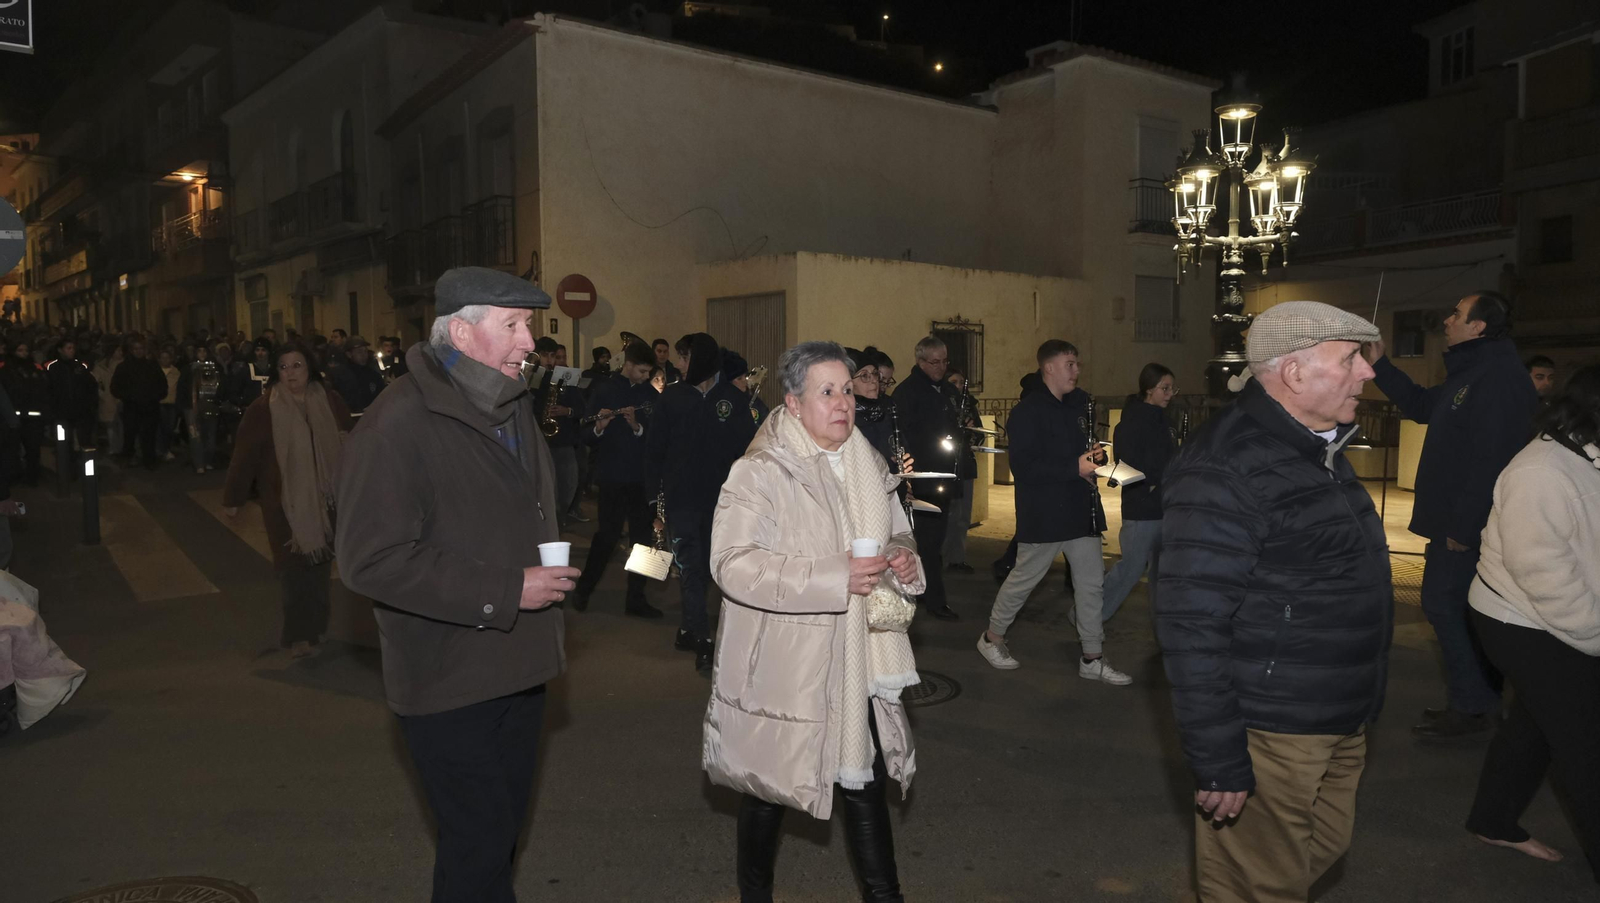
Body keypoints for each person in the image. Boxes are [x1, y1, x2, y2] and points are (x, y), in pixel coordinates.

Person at [336, 267, 576, 903]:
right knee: (478, 846)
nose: (530, 342)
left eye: (529, 325)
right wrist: (503, 587)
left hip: (519, 666)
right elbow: (370, 559)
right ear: (463, 333)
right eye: (514, 326)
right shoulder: (398, 422)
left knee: (491, 846)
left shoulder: (511, 402)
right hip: (448, 679)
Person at [1157, 301, 1391, 902]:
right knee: (1258, 884)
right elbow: (1191, 625)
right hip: (1271, 725)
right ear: (1293, 374)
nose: (1367, 372)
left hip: (1333, 711)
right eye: (1350, 358)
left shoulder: (1316, 448)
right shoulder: (1226, 465)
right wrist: (1219, 757)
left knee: (1317, 851)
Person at [705, 340, 924, 903]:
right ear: (794, 404)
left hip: (859, 654)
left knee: (864, 782)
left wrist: (901, 554)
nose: (843, 402)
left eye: (847, 390)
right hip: (790, 661)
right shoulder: (760, 471)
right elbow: (732, 564)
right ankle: (754, 894)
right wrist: (834, 578)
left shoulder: (865, 460)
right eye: (826, 391)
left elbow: (896, 525)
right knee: (769, 793)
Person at [1368, 290, 1539, 741]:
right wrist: (1381, 364)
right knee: (1459, 610)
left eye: (1457, 314)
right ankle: (1478, 700)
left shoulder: (1497, 378)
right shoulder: (1475, 372)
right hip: (1454, 521)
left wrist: (1463, 527)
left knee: (1445, 605)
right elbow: (1424, 405)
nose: (1447, 320)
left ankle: (1477, 704)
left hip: (1465, 527)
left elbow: (1492, 459)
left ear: (1479, 327)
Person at [1464, 365, 1600, 880]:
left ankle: (1493, 818)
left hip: (1568, 610)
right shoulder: (1540, 470)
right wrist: (1593, 634)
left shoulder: (1587, 455)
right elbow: (1541, 571)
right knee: (1586, 743)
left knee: (1540, 720)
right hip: (1520, 617)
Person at [976, 340, 1131, 684]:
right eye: (1070, 364)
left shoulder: (1079, 405)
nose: (1077, 371)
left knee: (1090, 585)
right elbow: (1025, 468)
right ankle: (992, 638)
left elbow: (1082, 453)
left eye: (1077, 364)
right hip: (1045, 512)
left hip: (1080, 508)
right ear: (1049, 368)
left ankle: (1092, 656)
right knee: (1023, 580)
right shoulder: (1027, 412)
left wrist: (1095, 458)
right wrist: (1073, 466)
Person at [223, 341, 351, 658]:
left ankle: (317, 628)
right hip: (284, 505)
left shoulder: (330, 401)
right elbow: (244, 456)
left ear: (310, 369)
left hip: (326, 500)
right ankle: (298, 636)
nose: (290, 372)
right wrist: (234, 497)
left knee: (320, 567)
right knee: (294, 571)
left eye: (297, 365)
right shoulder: (264, 408)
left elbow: (352, 440)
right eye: (283, 366)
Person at [649, 332, 758, 673]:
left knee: (716, 566)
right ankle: (703, 639)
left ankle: (687, 629)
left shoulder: (732, 399)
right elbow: (654, 449)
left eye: (685, 358)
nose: (680, 365)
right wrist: (654, 498)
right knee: (691, 566)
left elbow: (749, 450)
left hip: (724, 501)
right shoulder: (672, 398)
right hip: (683, 498)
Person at [573, 341, 661, 618]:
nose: (646, 377)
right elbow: (584, 435)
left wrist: (637, 426)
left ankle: (637, 598)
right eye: (642, 371)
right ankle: (583, 589)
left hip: (641, 479)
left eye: (649, 372)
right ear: (629, 365)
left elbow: (658, 440)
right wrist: (598, 427)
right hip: (611, 476)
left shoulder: (651, 395)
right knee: (607, 536)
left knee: (643, 540)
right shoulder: (604, 390)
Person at [1100, 363, 1177, 623]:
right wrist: (1154, 483)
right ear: (1148, 389)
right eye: (1164, 388)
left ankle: (1163, 627)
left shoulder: (1165, 422)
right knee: (1131, 570)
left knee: (1162, 574)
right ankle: (1088, 617)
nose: (1169, 394)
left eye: (1171, 389)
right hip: (1141, 510)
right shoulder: (1131, 424)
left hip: (1164, 507)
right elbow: (1124, 468)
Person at [891, 336, 962, 620]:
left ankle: (925, 592)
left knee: (936, 539)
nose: (941, 367)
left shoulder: (946, 390)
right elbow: (906, 436)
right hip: (921, 478)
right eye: (934, 362)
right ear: (920, 361)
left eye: (944, 361)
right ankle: (933, 599)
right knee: (927, 542)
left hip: (944, 474)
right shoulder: (907, 393)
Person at [530, 337, 583, 529]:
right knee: (546, 487)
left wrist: (566, 410)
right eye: (545, 355)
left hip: (563, 440)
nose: (550, 360)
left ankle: (560, 517)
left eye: (553, 356)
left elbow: (581, 407)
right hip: (540, 441)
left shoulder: (567, 378)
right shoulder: (532, 377)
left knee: (569, 483)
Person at [943, 367, 979, 574]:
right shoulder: (943, 403)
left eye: (961, 382)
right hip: (948, 463)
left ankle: (958, 557)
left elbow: (979, 433)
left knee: (964, 515)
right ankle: (943, 555)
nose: (958, 386)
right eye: (954, 381)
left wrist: (971, 430)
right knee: (950, 514)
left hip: (965, 462)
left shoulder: (970, 404)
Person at [0, 341, 51, 485]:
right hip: (12, 417)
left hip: (33, 418)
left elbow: (43, 390)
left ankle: (32, 476)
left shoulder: (35, 368)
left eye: (25, 350)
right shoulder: (5, 369)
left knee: (33, 449)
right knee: (12, 450)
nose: (23, 354)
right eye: (20, 350)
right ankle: (14, 476)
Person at [112, 339, 167, 469]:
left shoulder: (152, 366)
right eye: (136, 349)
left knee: (149, 434)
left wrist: (155, 396)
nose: (139, 351)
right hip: (132, 406)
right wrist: (129, 397)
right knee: (130, 434)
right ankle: (130, 457)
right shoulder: (123, 367)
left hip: (150, 406)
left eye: (141, 349)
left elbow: (162, 384)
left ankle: (149, 459)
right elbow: (115, 387)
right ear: (132, 350)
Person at [46, 339, 100, 471]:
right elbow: (49, 390)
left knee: (84, 440)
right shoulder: (52, 367)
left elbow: (91, 386)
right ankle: (69, 468)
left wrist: (90, 405)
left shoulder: (80, 366)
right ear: (60, 350)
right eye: (68, 348)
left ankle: (87, 468)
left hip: (82, 411)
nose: (71, 351)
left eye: (73, 348)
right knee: (65, 442)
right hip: (62, 411)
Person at [183, 345, 221, 473]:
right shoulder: (189, 369)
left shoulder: (215, 368)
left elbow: (221, 386)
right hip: (192, 406)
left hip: (211, 405)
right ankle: (199, 463)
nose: (202, 353)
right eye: (199, 350)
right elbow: (183, 387)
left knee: (210, 435)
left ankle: (208, 460)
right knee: (196, 436)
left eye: (204, 350)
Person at [329, 336, 387, 414]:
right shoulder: (340, 375)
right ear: (349, 354)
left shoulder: (373, 375)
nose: (364, 355)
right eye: (359, 352)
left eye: (365, 351)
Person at [93, 344, 124, 455]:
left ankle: (121, 447)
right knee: (110, 425)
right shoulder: (101, 366)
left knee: (121, 424)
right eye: (118, 350)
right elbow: (94, 382)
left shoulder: (124, 364)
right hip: (108, 399)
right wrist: (103, 394)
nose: (120, 353)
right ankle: (114, 447)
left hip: (122, 398)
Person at [723, 350, 768, 426]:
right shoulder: (723, 404)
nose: (745, 380)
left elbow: (766, 421)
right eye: (739, 378)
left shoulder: (753, 400)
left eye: (746, 376)